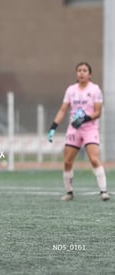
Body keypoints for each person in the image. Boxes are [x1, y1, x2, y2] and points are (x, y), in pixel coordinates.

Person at [47, 62, 110, 201]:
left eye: (85, 70)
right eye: (79, 70)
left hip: (90, 128)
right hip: (74, 129)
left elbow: (98, 112)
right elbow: (63, 110)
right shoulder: (71, 90)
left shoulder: (95, 89)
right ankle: (69, 192)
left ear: (90, 74)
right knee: (67, 161)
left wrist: (86, 118)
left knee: (94, 159)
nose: (82, 73)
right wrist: (53, 127)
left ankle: (103, 191)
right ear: (76, 73)